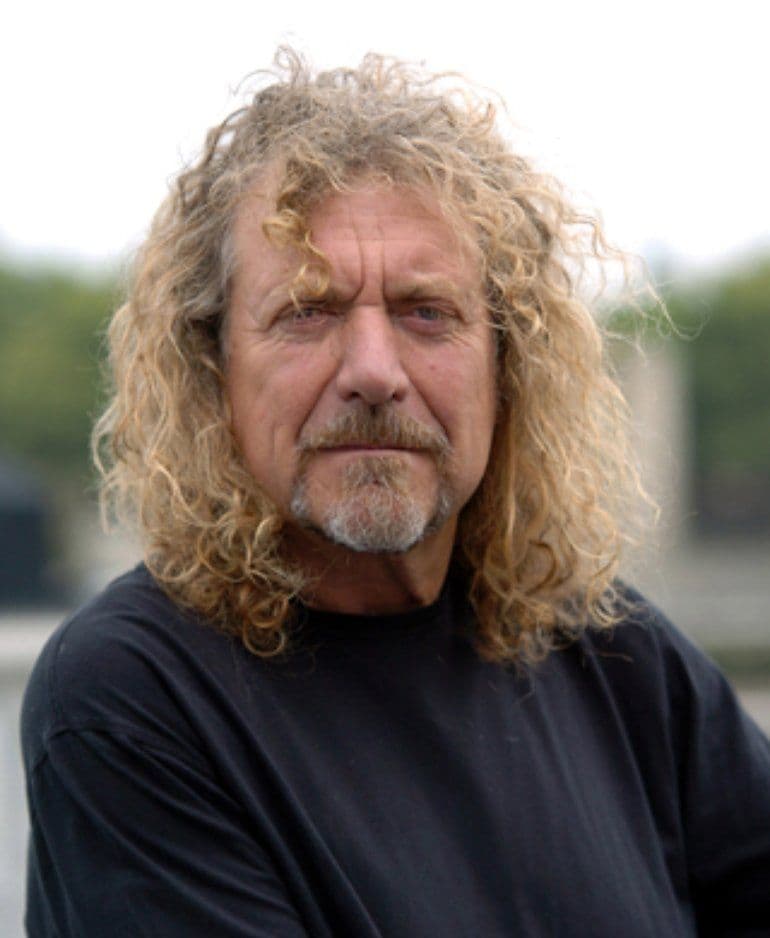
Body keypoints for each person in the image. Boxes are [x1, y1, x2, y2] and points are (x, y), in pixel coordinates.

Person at [21, 49, 770, 937]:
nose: (374, 372)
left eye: (427, 312)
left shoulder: (616, 655)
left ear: (507, 369)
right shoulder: (133, 697)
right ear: (213, 372)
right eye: (307, 312)